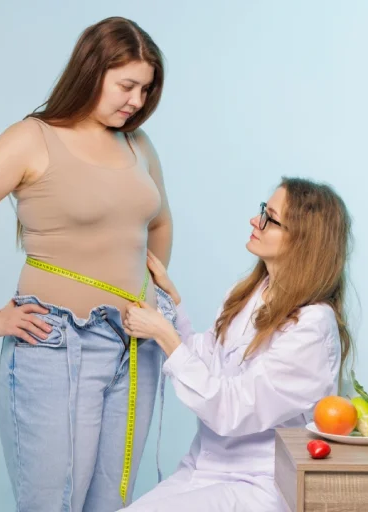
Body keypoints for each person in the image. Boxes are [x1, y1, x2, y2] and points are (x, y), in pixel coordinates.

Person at [0, 17, 173, 512]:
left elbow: (158, 223)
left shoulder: (137, 144)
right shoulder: (31, 139)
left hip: (137, 345)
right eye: (127, 85)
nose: (137, 101)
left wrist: (152, 286)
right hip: (57, 343)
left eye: (146, 89)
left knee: (110, 504)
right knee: (53, 505)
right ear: (92, 70)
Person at [120, 177, 354, 512]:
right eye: (263, 210)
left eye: (270, 218)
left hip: (258, 484)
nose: (255, 221)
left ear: (302, 240)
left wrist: (164, 336)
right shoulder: (247, 294)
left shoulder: (313, 327)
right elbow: (209, 364)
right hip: (203, 468)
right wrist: (173, 306)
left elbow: (230, 409)